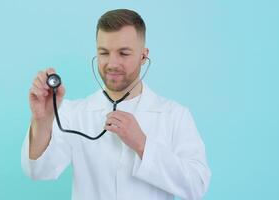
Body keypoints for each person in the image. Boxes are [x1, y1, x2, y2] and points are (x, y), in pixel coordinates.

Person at [21, 8, 211, 200]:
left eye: (123, 53)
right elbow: (38, 171)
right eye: (104, 53)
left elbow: (197, 185)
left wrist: (142, 144)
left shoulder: (174, 115)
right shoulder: (73, 113)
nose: (112, 63)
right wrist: (42, 121)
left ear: (143, 56)